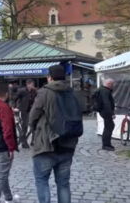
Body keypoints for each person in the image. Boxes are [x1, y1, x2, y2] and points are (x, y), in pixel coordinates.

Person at [29, 65, 81, 203]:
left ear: (49, 77)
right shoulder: (72, 92)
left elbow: (33, 116)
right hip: (68, 144)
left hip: (47, 144)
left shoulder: (45, 92)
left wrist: (34, 129)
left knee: (42, 181)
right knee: (63, 184)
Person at [94, 78, 116, 151]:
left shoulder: (101, 89)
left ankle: (107, 144)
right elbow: (106, 103)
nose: (113, 86)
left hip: (103, 111)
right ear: (109, 84)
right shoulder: (105, 91)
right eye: (112, 84)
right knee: (109, 127)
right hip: (106, 111)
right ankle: (106, 145)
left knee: (109, 126)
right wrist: (111, 113)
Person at [15, 79, 37, 149]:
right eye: (32, 84)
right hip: (23, 110)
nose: (33, 86)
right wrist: (14, 107)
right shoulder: (22, 91)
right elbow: (14, 98)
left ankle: (32, 141)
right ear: (28, 84)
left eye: (33, 85)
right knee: (24, 126)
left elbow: (37, 98)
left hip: (31, 110)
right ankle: (23, 142)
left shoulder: (34, 91)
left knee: (33, 126)